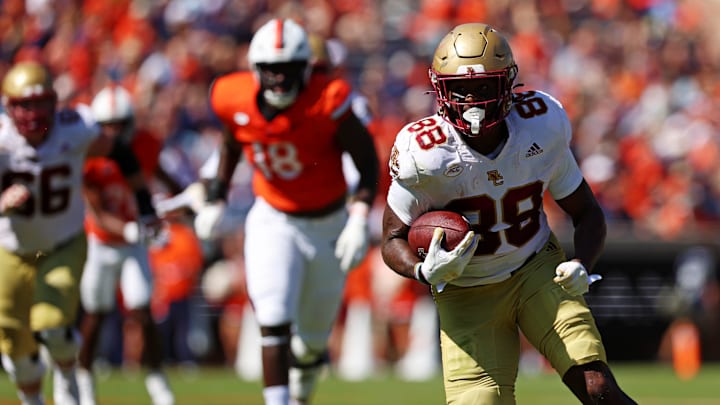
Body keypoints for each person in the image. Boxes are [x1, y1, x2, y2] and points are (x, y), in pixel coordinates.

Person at [380, 23, 637, 404]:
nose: (472, 101)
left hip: (536, 269)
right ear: (440, 91)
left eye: (485, 87)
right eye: (461, 90)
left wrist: (583, 261)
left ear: (507, 84)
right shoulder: (425, 155)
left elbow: (586, 212)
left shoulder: (541, 125)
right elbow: (391, 238)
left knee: (597, 387)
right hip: (467, 291)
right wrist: (423, 271)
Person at [193, 18, 379, 405]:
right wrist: (217, 195)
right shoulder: (233, 96)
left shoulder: (328, 100)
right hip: (273, 217)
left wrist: (360, 217)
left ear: (307, 70)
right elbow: (231, 142)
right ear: (255, 69)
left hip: (328, 224)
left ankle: (301, 394)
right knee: (273, 315)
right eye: (271, 70)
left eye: (288, 70)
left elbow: (368, 163)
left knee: (311, 341)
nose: (279, 80)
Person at [0, 60, 157, 405]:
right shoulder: (2, 140)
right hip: (11, 249)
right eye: (25, 104)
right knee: (12, 338)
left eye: (41, 102)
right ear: (9, 106)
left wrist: (144, 204)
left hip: (62, 244)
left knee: (53, 326)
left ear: (54, 102)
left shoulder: (75, 128)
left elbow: (120, 152)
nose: (34, 113)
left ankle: (69, 377)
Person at [75, 85, 175, 405]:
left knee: (144, 309)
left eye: (120, 124)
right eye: (108, 125)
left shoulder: (144, 144)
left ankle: (156, 378)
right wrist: (133, 230)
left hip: (133, 244)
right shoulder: (90, 154)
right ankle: (84, 378)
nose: (114, 132)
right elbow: (99, 214)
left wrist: (188, 197)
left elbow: (159, 176)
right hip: (102, 244)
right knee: (96, 314)